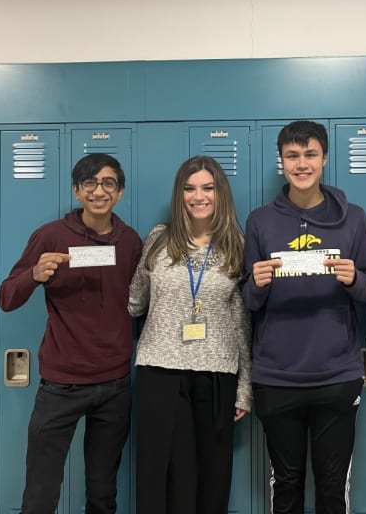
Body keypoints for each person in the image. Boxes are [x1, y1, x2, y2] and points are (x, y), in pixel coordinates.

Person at [241, 120, 366, 514]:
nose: (302, 164)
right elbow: (248, 300)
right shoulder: (259, 221)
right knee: (285, 486)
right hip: (276, 378)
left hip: (336, 376)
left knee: (333, 488)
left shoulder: (353, 218)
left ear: (325, 159)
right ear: (282, 161)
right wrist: (258, 283)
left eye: (310, 155)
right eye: (292, 156)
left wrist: (355, 279)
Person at [0, 153, 143, 514]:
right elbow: (6, 298)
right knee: (41, 491)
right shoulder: (50, 236)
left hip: (114, 384)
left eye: (108, 183)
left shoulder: (129, 241)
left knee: (102, 490)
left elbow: (140, 302)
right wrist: (34, 274)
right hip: (61, 385)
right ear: (77, 191)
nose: (99, 191)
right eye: (89, 183)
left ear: (120, 192)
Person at [128, 155, 251, 514]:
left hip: (216, 373)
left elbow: (241, 319)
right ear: (179, 194)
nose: (199, 196)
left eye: (208, 188)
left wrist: (245, 386)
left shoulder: (236, 245)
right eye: (190, 188)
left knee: (212, 477)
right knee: (161, 476)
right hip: (160, 369)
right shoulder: (158, 239)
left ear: (220, 194)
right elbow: (135, 301)